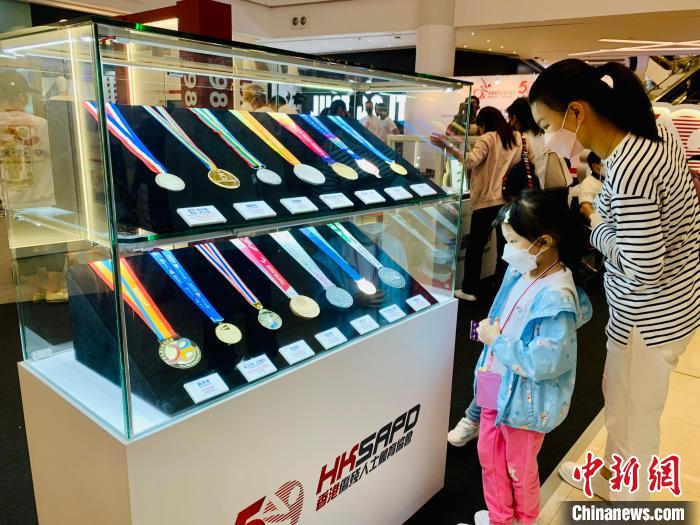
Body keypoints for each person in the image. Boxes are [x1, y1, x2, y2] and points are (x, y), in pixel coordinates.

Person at [529, 58, 700, 501]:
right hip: (670, 306)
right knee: (621, 402)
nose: (547, 138)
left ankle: (630, 503)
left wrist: (595, 223)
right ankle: (612, 476)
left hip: (650, 317)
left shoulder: (629, 170)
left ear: (576, 111)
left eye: (546, 125)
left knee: (635, 416)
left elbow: (643, 267)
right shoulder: (653, 132)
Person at [465, 189, 591, 525]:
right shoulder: (521, 270)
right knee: (489, 453)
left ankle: (523, 520)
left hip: (523, 398)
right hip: (494, 378)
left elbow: (545, 362)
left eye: (513, 241)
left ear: (544, 242)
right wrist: (486, 339)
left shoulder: (557, 296)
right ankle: (500, 517)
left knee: (517, 466)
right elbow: (501, 312)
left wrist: (497, 341)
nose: (508, 249)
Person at [433, 106, 523, 302]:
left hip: (486, 200)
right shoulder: (515, 137)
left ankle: (469, 289)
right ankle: (502, 289)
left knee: (475, 247)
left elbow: (470, 161)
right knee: (504, 247)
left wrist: (448, 146)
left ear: (484, 124)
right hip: (507, 199)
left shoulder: (487, 138)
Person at [0, 71, 66, 302]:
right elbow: (58, 156)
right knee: (53, 242)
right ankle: (54, 289)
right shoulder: (40, 124)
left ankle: (37, 289)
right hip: (44, 196)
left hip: (13, 199)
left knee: (24, 246)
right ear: (20, 96)